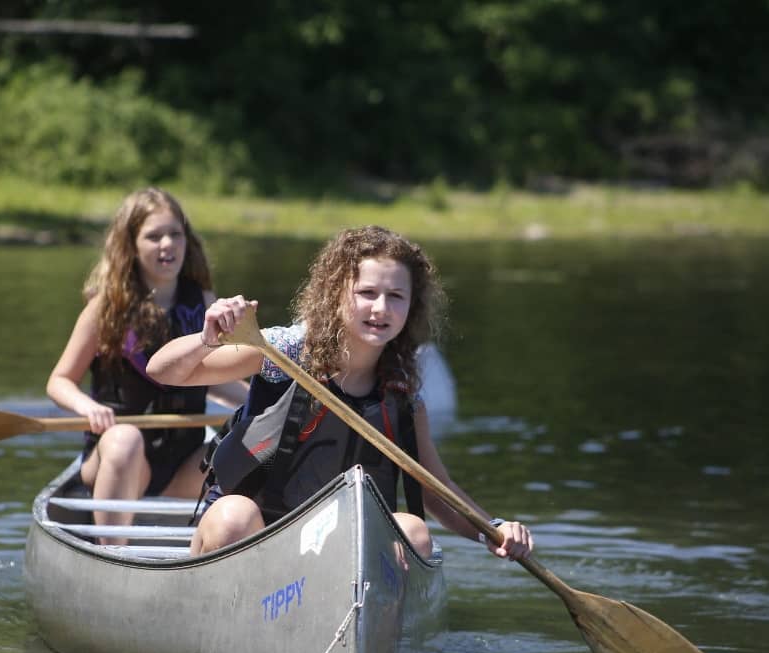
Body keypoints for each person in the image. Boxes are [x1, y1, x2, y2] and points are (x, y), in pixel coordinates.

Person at [147, 225, 534, 560]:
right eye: (367, 292)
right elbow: (162, 371)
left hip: (336, 554)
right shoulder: (285, 352)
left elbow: (437, 492)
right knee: (234, 515)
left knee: (413, 531)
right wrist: (206, 338)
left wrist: (492, 529)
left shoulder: (403, 394)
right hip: (253, 536)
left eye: (396, 296)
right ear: (336, 294)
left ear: (411, 305)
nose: (381, 308)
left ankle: (367, 637)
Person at [46, 188, 247, 529]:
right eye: (154, 236)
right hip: (119, 459)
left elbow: (215, 380)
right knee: (125, 440)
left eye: (175, 234)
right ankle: (111, 548)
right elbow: (59, 381)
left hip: (183, 463)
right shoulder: (105, 308)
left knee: (248, 440)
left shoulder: (204, 301)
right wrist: (87, 407)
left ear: (187, 240)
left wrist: (268, 402)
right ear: (132, 246)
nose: (167, 244)